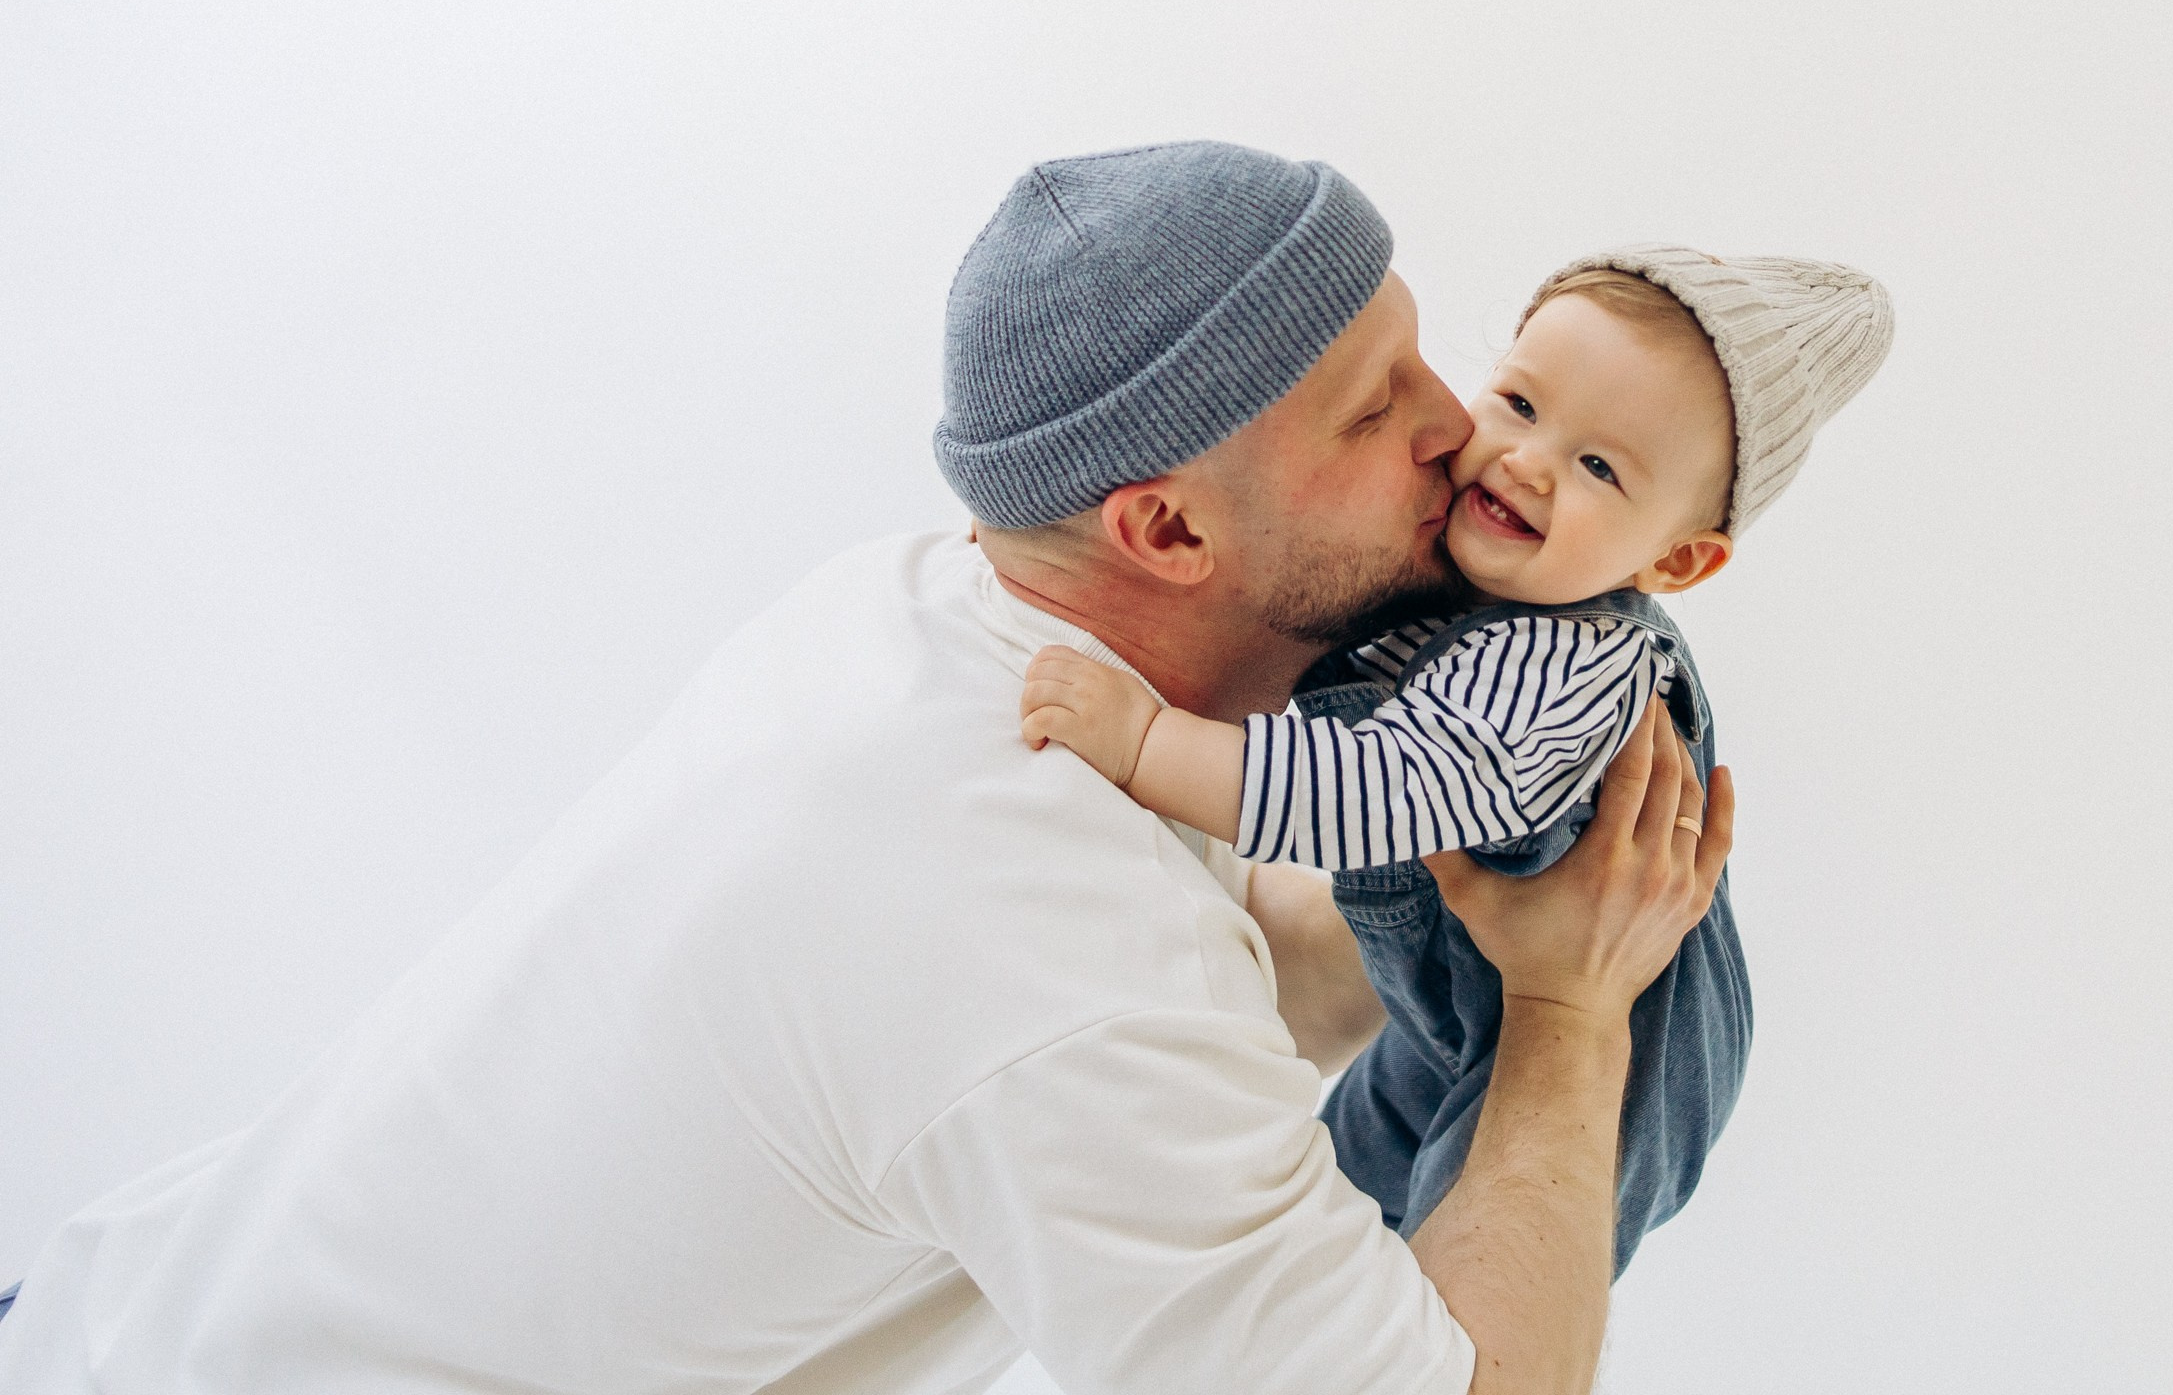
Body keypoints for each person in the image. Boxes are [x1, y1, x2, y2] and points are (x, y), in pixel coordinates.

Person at [0, 141, 1738, 1395]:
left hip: (107, 1323)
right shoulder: (1041, 942)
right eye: (1376, 408)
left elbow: (1196, 955)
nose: (1462, 429)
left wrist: (1487, 879)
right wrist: (1576, 1021)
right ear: (1164, 527)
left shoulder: (921, 619)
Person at [1023, 246, 1892, 1266]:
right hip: (1453, 1005)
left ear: (1673, 560)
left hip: (1612, 1066)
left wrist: (1146, 743)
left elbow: (1371, 796)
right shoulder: (1488, 581)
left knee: (1458, 1285)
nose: (1527, 461)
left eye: (1599, 467)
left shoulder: (1568, 662)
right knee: (1327, 1215)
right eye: (1520, 404)